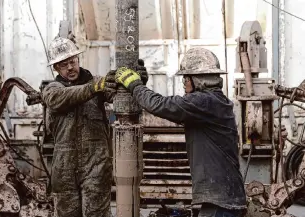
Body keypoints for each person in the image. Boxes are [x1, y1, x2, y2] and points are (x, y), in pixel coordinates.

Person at [115, 47, 247, 217]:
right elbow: (167, 107)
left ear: (199, 79)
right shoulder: (213, 102)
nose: (184, 82)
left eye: (186, 77)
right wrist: (141, 87)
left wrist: (134, 84)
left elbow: (160, 105)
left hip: (221, 203)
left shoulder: (204, 102)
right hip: (223, 199)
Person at [41, 36, 117, 217]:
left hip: (96, 166)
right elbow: (60, 98)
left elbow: (119, 95)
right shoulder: (52, 90)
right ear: (56, 68)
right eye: (63, 64)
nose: (70, 67)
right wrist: (93, 88)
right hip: (65, 169)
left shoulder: (98, 83)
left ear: (78, 60)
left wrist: (135, 81)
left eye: (72, 62)